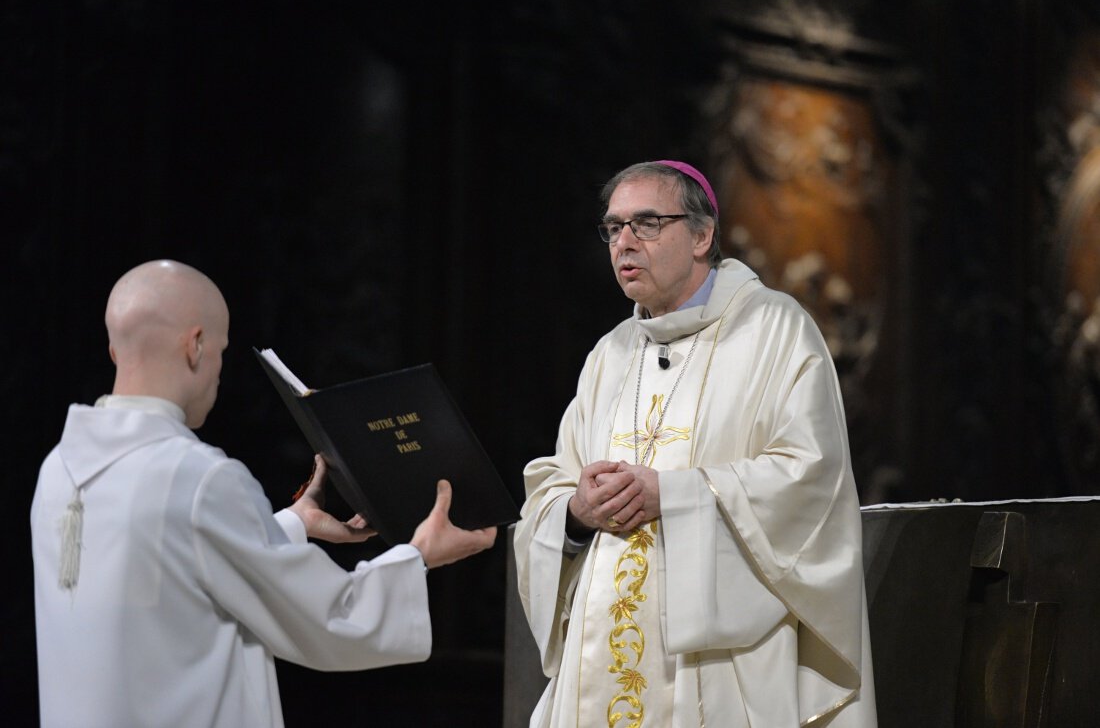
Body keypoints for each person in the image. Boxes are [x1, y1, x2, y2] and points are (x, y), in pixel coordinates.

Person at [31, 259, 497, 728]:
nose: (218, 370)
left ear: (114, 349)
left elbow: (168, 572)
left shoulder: (58, 471)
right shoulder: (197, 476)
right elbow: (328, 615)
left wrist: (293, 524)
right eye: (221, 350)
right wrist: (418, 556)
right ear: (195, 346)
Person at [513, 160, 876, 726]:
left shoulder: (774, 328)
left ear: (703, 236)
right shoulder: (610, 353)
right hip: (600, 652)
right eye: (613, 228)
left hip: (719, 663)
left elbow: (812, 477)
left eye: (647, 223)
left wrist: (677, 496)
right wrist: (576, 514)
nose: (624, 243)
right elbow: (556, 482)